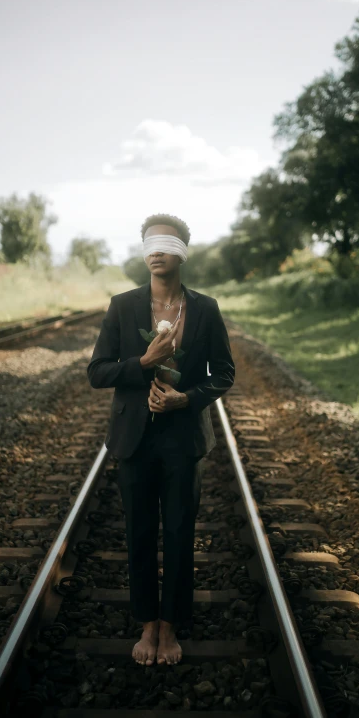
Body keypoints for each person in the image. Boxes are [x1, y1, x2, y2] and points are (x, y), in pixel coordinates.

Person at [87, 213, 235, 666]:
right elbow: (97, 372)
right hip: (133, 439)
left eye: (165, 244)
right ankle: (146, 623)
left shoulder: (205, 308)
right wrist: (142, 361)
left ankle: (170, 626)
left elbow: (224, 373)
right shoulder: (122, 305)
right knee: (139, 532)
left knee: (177, 531)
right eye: (149, 244)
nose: (155, 251)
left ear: (181, 252)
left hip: (183, 438)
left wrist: (186, 399)